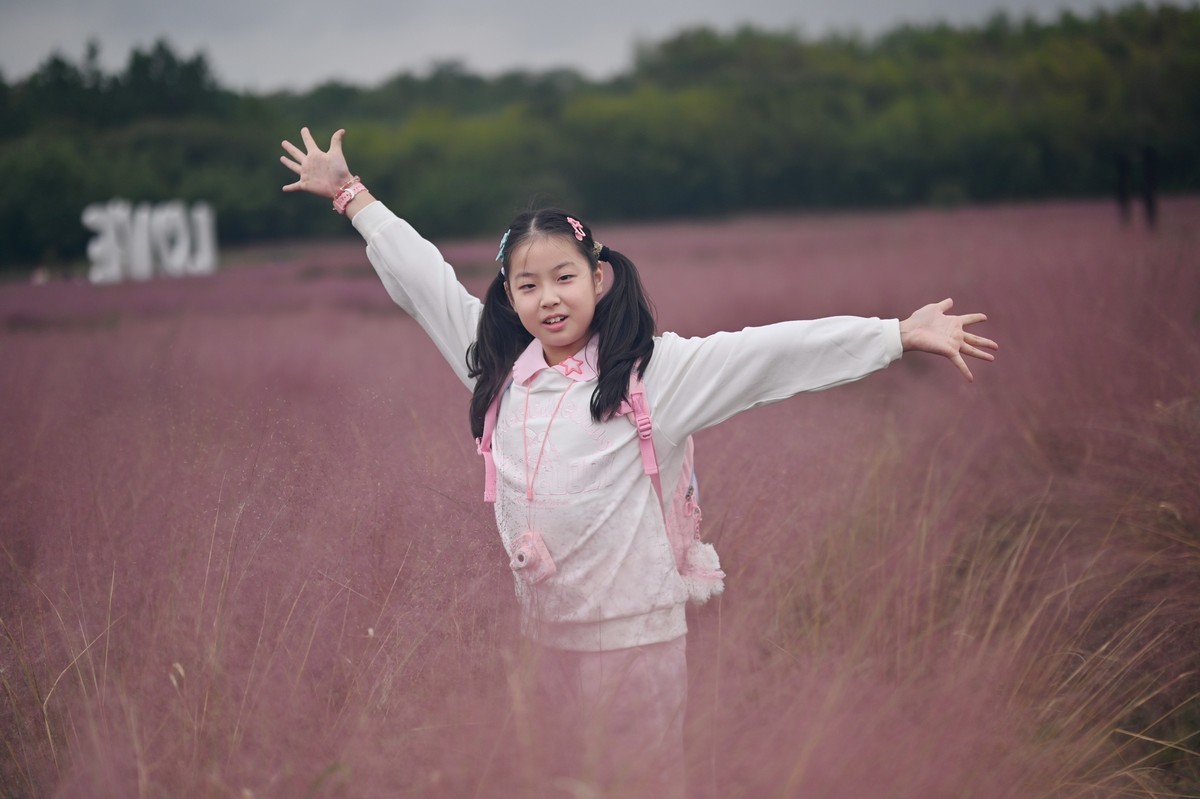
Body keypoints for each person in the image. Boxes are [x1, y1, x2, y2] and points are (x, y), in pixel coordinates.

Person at [279, 127, 998, 797]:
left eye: (564, 278)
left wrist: (894, 335)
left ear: (599, 279)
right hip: (543, 637)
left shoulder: (650, 374)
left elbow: (768, 352)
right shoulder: (497, 368)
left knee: (640, 782)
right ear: (508, 295)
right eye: (527, 285)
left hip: (636, 639)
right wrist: (352, 196)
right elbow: (424, 282)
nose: (548, 299)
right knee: (557, 779)